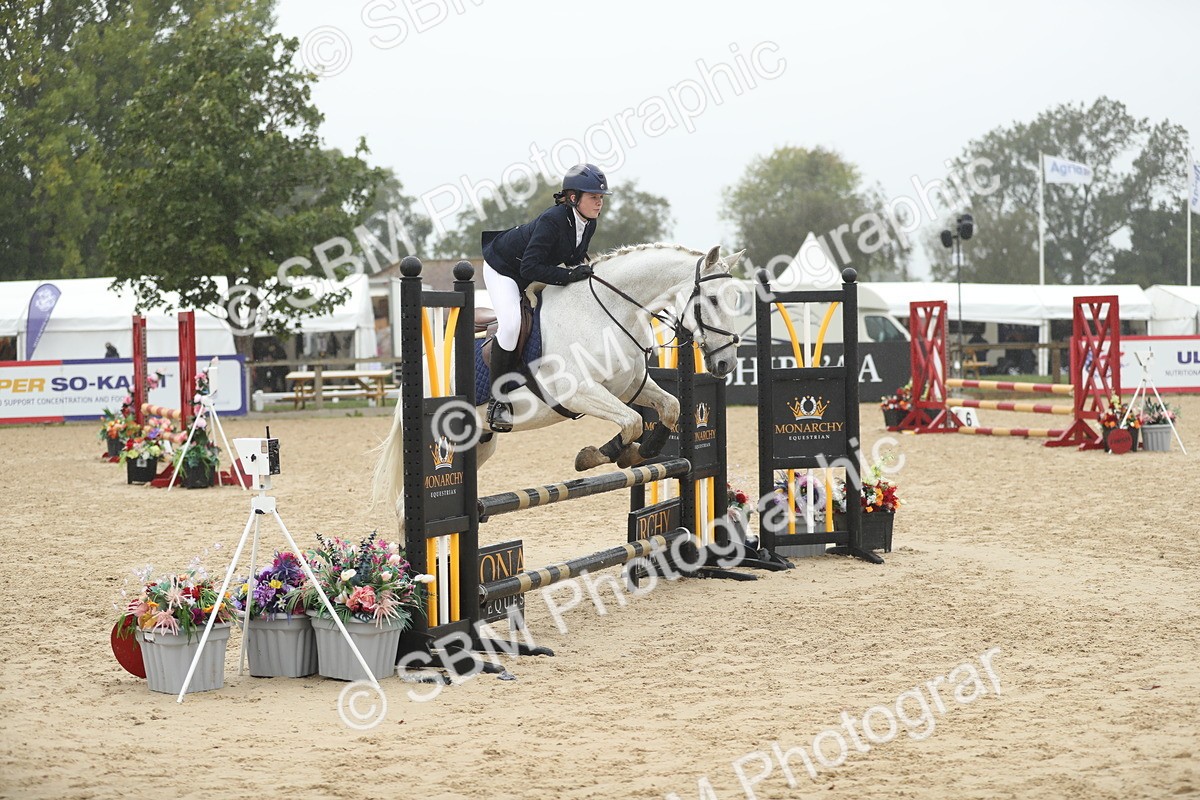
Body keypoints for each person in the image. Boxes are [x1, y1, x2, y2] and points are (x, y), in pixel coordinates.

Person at [479, 163, 612, 431]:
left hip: (531, 271)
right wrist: (570, 277)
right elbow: (529, 267)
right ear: (573, 198)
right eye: (593, 197)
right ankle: (498, 400)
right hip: (504, 270)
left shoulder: (588, 223)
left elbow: (573, 258)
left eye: (600, 198)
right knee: (511, 326)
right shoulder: (552, 220)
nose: (599, 203)